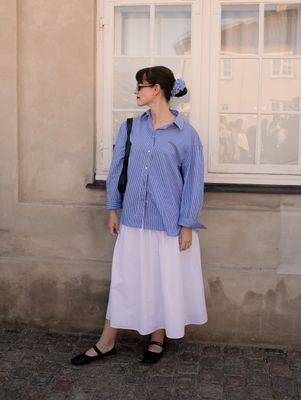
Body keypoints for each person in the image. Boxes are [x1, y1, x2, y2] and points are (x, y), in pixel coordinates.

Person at [71, 66, 208, 366]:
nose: (136, 91)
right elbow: (116, 170)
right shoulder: (131, 128)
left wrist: (187, 224)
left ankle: (157, 337)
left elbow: (194, 182)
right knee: (124, 281)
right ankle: (107, 342)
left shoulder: (186, 136)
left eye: (141, 86)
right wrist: (112, 208)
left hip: (169, 224)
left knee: (160, 280)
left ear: (157, 89)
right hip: (132, 219)